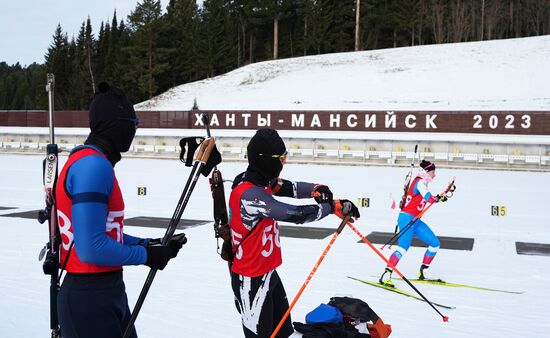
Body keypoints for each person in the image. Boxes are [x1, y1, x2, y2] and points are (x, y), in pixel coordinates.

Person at [55, 82, 187, 338]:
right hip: (89, 296)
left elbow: (105, 233)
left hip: (105, 291)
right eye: (132, 123)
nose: (134, 130)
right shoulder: (93, 166)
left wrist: (150, 244)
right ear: (117, 125)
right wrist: (145, 256)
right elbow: (90, 247)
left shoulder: (93, 163)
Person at [228, 128, 360, 338]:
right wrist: (331, 206)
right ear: (264, 159)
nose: (284, 161)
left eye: (284, 156)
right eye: (280, 157)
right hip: (250, 280)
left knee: (283, 332)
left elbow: (287, 186)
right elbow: (295, 214)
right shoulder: (249, 194)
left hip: (267, 272)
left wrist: (316, 189)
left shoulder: (260, 180)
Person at [379, 160, 448, 287]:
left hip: (416, 220)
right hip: (406, 219)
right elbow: (429, 198)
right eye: (433, 172)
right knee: (403, 248)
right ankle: (386, 274)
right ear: (427, 171)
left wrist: (439, 197)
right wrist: (438, 198)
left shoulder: (422, 183)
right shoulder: (420, 182)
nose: (434, 175)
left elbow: (430, 198)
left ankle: (424, 271)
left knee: (435, 244)